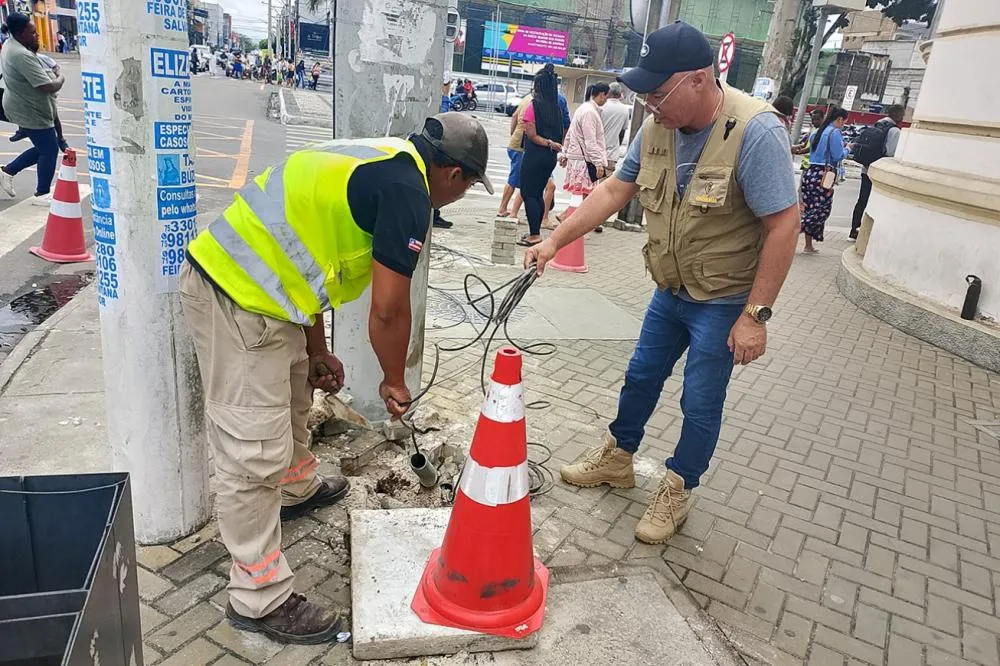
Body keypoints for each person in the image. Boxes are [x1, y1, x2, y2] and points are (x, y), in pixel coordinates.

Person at [181, 112, 491, 644]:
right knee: (251, 450)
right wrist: (394, 380)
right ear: (454, 176)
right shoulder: (407, 193)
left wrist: (317, 347)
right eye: (466, 189)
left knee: (297, 390)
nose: (459, 197)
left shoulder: (380, 156)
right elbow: (390, 311)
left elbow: (306, 251)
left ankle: (297, 486)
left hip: (272, 299)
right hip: (237, 301)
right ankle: (259, 598)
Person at [525, 20, 799, 545]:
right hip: (669, 288)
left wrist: (756, 315)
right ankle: (618, 457)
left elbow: (783, 224)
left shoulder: (755, 131)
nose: (649, 103)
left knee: (699, 401)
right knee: (641, 375)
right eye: (643, 92)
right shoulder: (657, 128)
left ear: (699, 79)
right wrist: (554, 240)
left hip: (723, 301)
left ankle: (678, 485)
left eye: (657, 92)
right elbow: (612, 192)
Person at [0, 14, 64, 204]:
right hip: (30, 109)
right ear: (20, 33)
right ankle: (42, 194)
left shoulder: (11, 46)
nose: (37, 35)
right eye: (32, 32)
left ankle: (8, 171)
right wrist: (60, 76)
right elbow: (47, 86)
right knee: (49, 150)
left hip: (24, 105)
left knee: (45, 147)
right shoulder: (21, 55)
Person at [517, 64, 563, 247]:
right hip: (549, 158)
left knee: (528, 193)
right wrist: (553, 144)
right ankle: (535, 232)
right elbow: (562, 132)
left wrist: (547, 142)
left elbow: (531, 134)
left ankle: (534, 234)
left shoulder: (533, 106)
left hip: (535, 155)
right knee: (537, 194)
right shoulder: (557, 109)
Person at [849, 104, 904, 239]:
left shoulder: (877, 125)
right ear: (898, 116)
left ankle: (854, 228)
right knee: (876, 202)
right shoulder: (894, 131)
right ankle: (868, 232)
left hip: (865, 169)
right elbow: (890, 153)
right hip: (879, 171)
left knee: (862, 200)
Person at [800, 107, 848, 253]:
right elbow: (838, 155)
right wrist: (848, 149)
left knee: (809, 208)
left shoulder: (816, 132)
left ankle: (808, 245)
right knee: (821, 211)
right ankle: (793, 229)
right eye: (844, 122)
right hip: (823, 175)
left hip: (810, 173)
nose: (843, 125)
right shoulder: (835, 133)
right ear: (839, 119)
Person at [559, 82, 609, 205]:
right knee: (588, 196)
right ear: (602, 95)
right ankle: (576, 220)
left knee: (586, 195)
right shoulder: (590, 113)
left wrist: (565, 152)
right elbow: (590, 140)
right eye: (606, 97)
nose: (606, 100)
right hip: (586, 159)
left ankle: (567, 216)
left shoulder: (582, 109)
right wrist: (598, 162)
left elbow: (570, 134)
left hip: (579, 157)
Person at [497, 93, 532, 218]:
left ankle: (507, 209)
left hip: (515, 143)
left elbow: (514, 116)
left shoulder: (526, 98)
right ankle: (504, 208)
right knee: (516, 179)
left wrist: (512, 134)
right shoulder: (533, 102)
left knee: (517, 178)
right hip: (520, 146)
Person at [602, 82, 632, 174]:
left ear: (608, 93)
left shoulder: (601, 106)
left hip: (595, 153)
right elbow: (622, 132)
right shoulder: (624, 110)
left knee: (590, 184)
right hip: (611, 154)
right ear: (619, 94)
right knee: (604, 185)